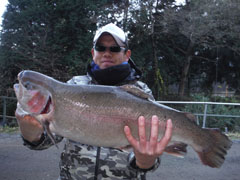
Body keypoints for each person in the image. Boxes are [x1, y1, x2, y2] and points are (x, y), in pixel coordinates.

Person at [16, 23, 173, 180]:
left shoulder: (142, 93)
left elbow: (148, 161)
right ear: (93, 52)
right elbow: (45, 141)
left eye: (114, 48)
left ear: (127, 54)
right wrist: (28, 129)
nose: (106, 53)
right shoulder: (73, 85)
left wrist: (145, 160)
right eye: (100, 48)